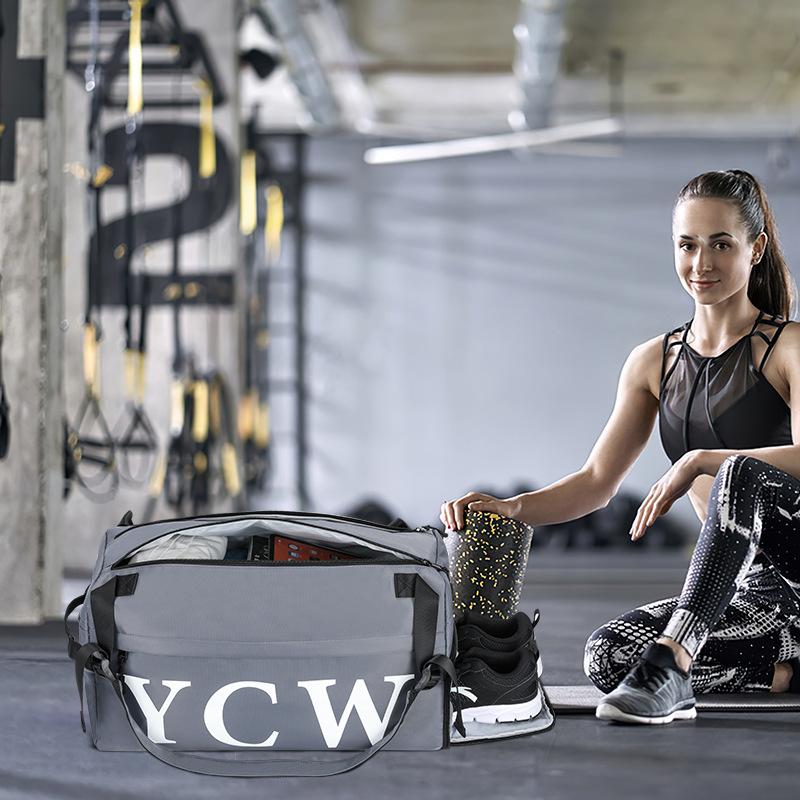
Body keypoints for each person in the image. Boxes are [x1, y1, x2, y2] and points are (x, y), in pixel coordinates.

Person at [440, 169, 800, 724]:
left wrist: (701, 460)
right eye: (687, 245)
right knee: (608, 655)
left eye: (721, 245)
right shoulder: (653, 361)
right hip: (756, 602)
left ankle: (673, 664)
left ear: (755, 249)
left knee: (739, 472)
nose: (701, 263)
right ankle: (786, 671)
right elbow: (595, 483)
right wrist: (513, 507)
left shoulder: (789, 347)